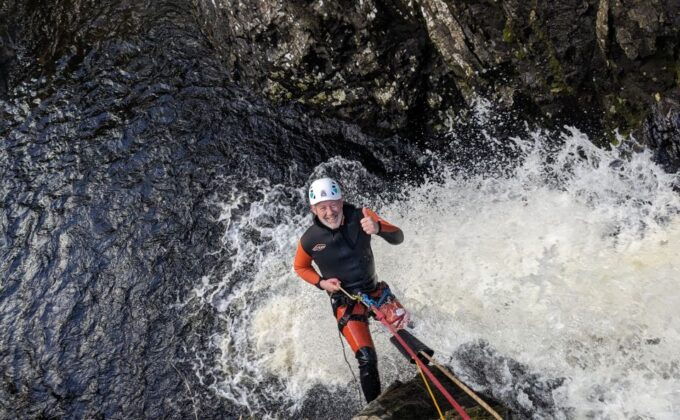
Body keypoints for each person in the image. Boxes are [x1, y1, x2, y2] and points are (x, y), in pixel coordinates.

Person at [292, 177, 405, 403]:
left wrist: (378, 228)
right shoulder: (310, 240)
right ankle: (376, 410)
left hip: (376, 293)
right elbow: (300, 267)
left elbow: (398, 237)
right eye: (322, 208)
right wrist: (322, 283)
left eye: (333, 204)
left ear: (342, 201)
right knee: (366, 358)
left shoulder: (361, 216)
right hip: (346, 302)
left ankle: (434, 374)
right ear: (313, 209)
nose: (329, 212)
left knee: (408, 332)